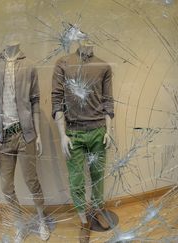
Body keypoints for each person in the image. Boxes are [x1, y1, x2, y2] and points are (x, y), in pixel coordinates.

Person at [0, 42, 50, 242]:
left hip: (25, 133)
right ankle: (19, 222)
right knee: (6, 187)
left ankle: (41, 219)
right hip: (2, 137)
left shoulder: (29, 65)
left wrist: (37, 135)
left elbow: (35, 101)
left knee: (32, 181)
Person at [52, 43, 114, 242]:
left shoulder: (104, 66)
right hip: (73, 133)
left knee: (97, 178)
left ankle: (96, 211)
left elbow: (108, 101)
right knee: (76, 180)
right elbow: (56, 100)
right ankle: (83, 221)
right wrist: (62, 135)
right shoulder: (62, 64)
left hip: (98, 131)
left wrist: (108, 131)